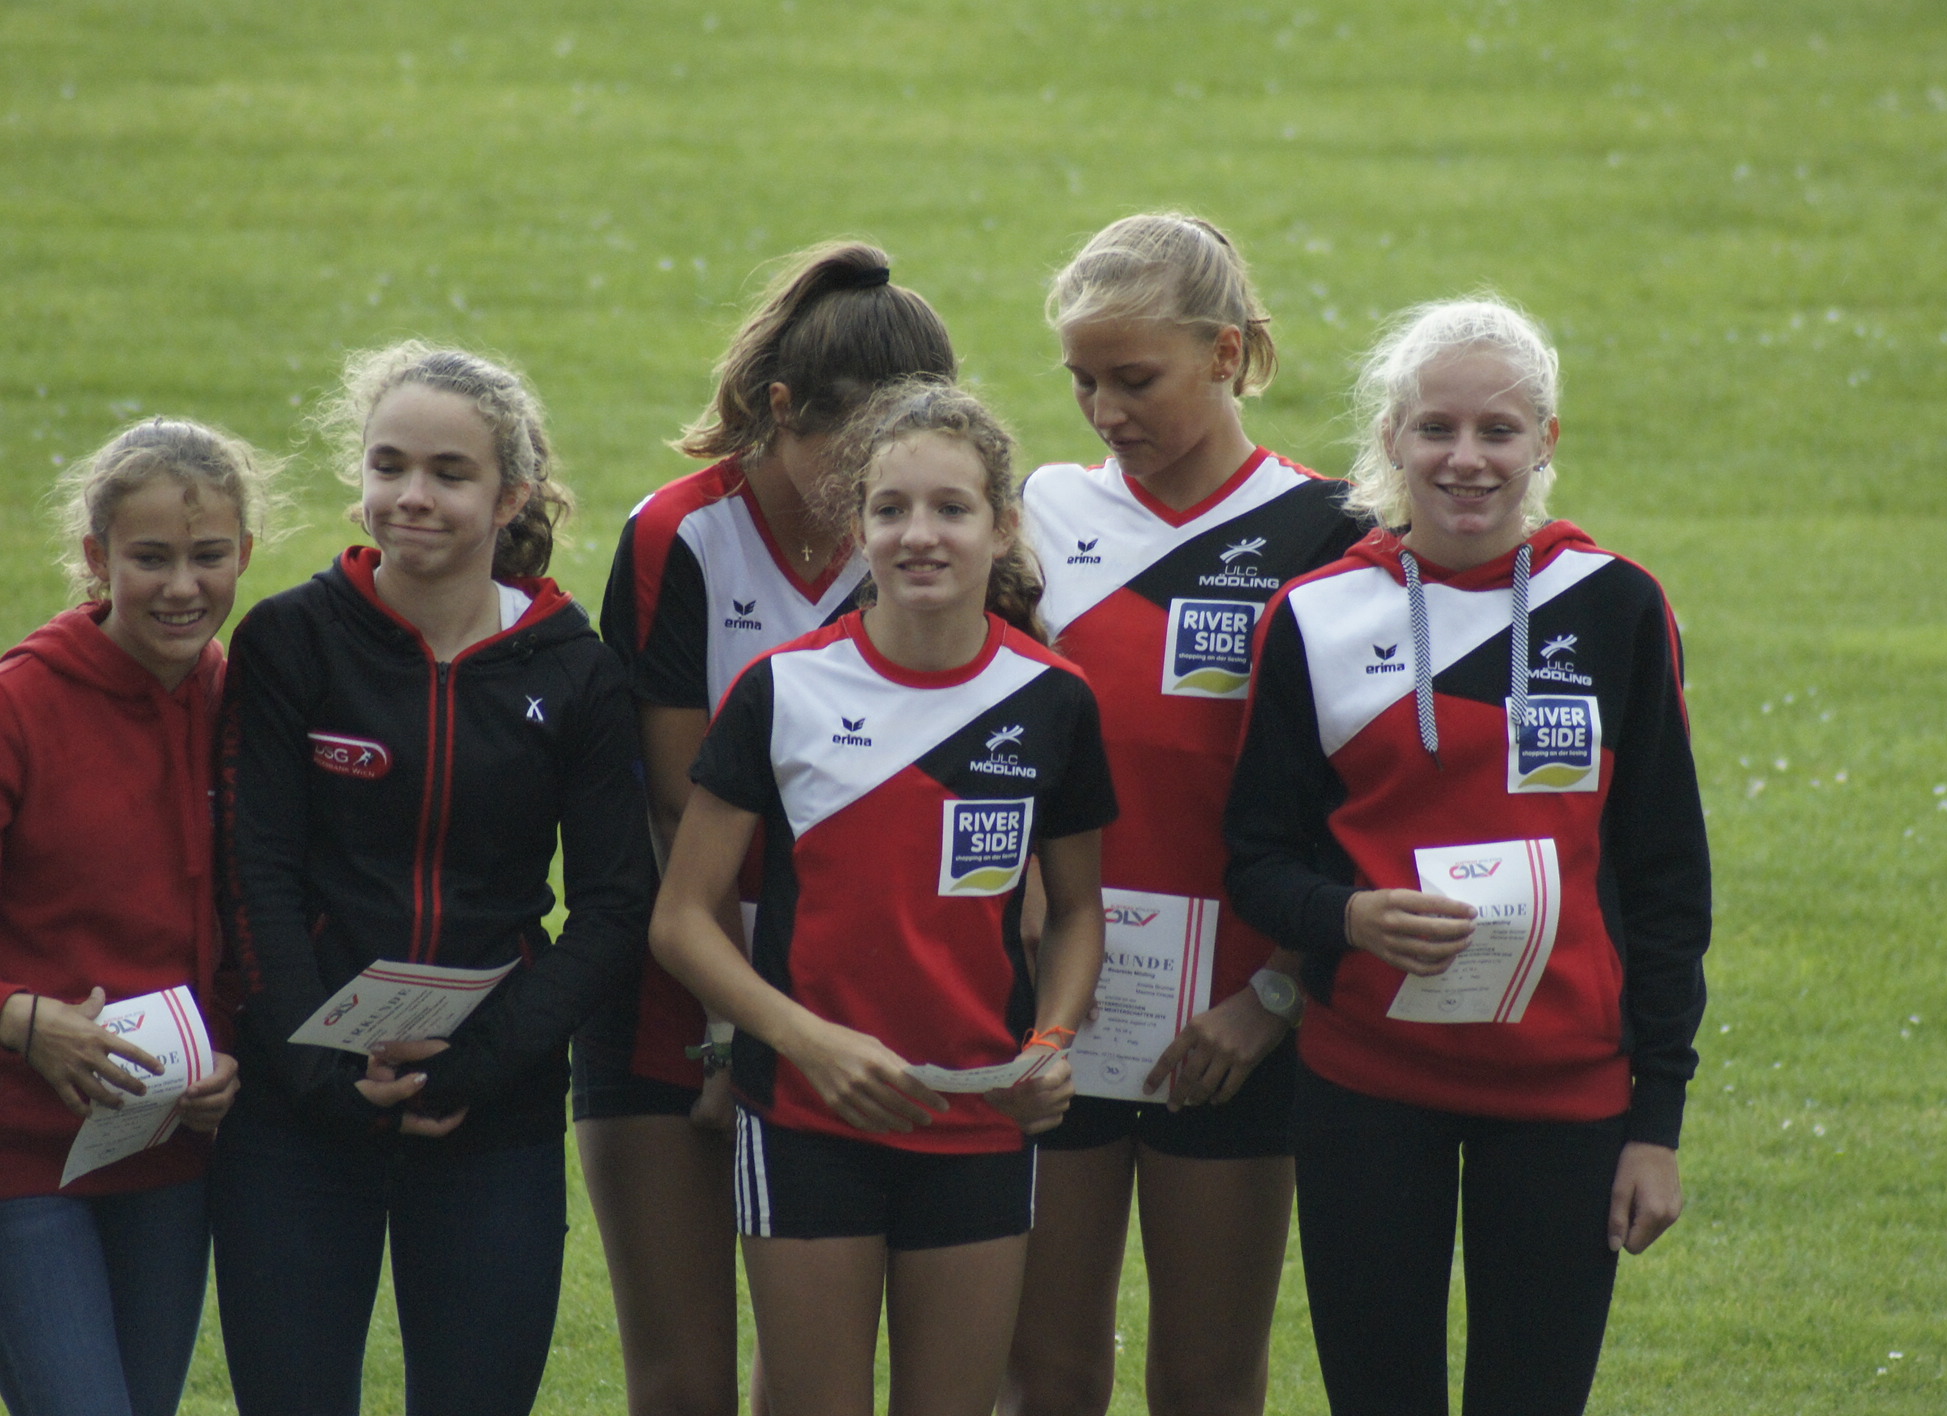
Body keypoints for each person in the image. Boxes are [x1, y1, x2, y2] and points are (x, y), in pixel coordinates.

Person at [1223, 296, 1712, 1416]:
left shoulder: (1616, 607)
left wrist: (1656, 1127)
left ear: (1546, 441)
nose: (1466, 459)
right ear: (1391, 438)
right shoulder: (1314, 617)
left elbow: (1667, 881)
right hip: (1365, 1090)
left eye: (1499, 430)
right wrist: (1348, 918)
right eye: (1436, 428)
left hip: (1566, 1096)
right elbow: (1255, 861)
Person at [649, 380, 1113, 1416]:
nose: (919, 535)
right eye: (890, 509)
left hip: (980, 1117)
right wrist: (809, 1043)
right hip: (807, 1115)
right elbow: (680, 920)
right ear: (856, 529)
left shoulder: (1053, 699)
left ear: (1002, 526)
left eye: (951, 508)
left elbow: (1079, 911)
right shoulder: (783, 688)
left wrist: (1049, 1042)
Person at [212, 342, 657, 1416]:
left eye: (449, 474)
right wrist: (317, 1070)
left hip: (492, 1116)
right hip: (297, 1112)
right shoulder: (290, 639)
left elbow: (614, 905)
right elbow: (253, 872)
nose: (411, 496)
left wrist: (482, 1065)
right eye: (389, 465)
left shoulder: (575, 670)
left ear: (511, 497)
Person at [584, 241, 956, 1416]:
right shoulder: (680, 535)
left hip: (852, 985)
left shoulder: (921, 539)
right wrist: (724, 1031)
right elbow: (675, 799)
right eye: (854, 459)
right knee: (684, 1381)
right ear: (781, 409)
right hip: (674, 991)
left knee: (810, 1374)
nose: (876, 497)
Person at [1005, 213, 1367, 1416]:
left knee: (1207, 1380)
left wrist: (1273, 1000)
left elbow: (1362, 803)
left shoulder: (1334, 535)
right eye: (1082, 382)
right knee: (1043, 1375)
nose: (1104, 411)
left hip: (1235, 1020)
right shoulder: (1034, 515)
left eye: (1134, 379)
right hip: (1053, 1005)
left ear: (1225, 354)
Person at [0, 418, 271, 1416]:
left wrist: (226, 1049)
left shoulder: (241, 702)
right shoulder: (21, 705)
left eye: (209, 557)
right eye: (150, 558)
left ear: (245, 554)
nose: (181, 587)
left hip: (165, 1148)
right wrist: (22, 1017)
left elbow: (250, 908)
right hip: (21, 1153)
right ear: (96, 557)